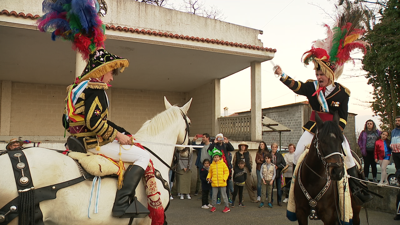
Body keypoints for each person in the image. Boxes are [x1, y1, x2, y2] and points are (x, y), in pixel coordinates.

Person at [273, 28, 373, 203]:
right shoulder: (312, 87)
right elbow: (296, 86)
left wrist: (336, 131)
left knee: (348, 155)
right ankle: (294, 186)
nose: (319, 77)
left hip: (333, 130)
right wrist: (282, 75)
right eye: (317, 74)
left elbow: (343, 116)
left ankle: (357, 187)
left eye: (322, 74)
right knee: (297, 153)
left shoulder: (343, 93)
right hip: (313, 127)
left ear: (330, 75)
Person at [62, 49, 150, 218]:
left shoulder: (79, 88)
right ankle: (122, 203)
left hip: (79, 139)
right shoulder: (96, 90)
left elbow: (100, 121)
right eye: (111, 73)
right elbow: (93, 122)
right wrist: (118, 136)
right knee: (143, 156)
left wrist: (124, 132)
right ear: (101, 71)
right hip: (93, 144)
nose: (111, 78)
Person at [207, 133, 234, 204]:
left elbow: (232, 149)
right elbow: (209, 151)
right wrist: (213, 143)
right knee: (217, 183)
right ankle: (218, 198)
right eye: (218, 138)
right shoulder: (214, 145)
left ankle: (228, 197)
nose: (220, 139)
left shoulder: (225, 145)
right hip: (217, 167)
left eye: (221, 138)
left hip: (225, 165)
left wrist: (227, 142)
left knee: (226, 183)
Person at [207, 148, 230, 213]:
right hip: (214, 182)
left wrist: (224, 178)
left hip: (222, 182)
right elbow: (210, 173)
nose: (216, 158)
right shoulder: (211, 165)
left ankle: (227, 207)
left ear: (219, 157)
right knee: (214, 196)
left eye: (217, 157)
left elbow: (226, 171)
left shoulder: (223, 164)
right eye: (215, 157)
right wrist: (208, 178)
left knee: (224, 195)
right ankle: (214, 206)